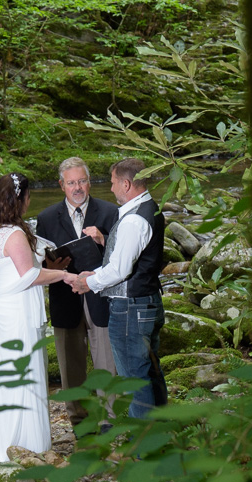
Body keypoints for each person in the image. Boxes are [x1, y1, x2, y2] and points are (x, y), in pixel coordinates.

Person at [68, 158, 168, 419]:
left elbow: (120, 270)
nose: (111, 189)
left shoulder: (134, 221)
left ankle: (144, 448)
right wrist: (95, 273)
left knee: (134, 379)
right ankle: (161, 436)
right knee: (151, 373)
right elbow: (122, 264)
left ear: (126, 184)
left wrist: (87, 282)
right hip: (146, 302)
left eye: (113, 183)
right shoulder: (149, 208)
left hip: (131, 309)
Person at [0, 172, 71, 462]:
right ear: (19, 199)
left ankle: (10, 444)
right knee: (27, 372)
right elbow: (30, 275)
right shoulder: (16, 234)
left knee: (11, 374)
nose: (30, 200)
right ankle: (29, 445)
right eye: (28, 196)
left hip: (6, 309)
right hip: (19, 311)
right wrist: (64, 274)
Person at [34, 157, 119, 426]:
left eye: (82, 181)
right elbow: (40, 263)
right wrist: (51, 265)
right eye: (71, 183)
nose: (77, 187)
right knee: (70, 368)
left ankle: (110, 420)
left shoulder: (110, 212)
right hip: (65, 299)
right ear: (62, 185)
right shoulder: (46, 218)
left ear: (89, 182)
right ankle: (80, 422)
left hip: (101, 298)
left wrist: (103, 241)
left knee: (107, 363)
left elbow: (123, 259)